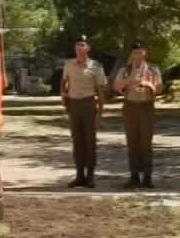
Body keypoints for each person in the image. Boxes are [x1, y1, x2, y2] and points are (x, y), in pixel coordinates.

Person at [113, 41, 162, 189]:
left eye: (141, 52)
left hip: (146, 106)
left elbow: (159, 88)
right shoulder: (126, 69)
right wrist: (130, 79)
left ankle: (147, 177)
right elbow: (116, 86)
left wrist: (148, 84)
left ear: (145, 53)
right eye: (135, 52)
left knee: (146, 143)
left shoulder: (153, 69)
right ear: (132, 54)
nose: (138, 55)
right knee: (132, 142)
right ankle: (134, 177)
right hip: (130, 106)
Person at [61, 35, 107, 189]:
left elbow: (100, 90)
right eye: (77, 45)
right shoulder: (69, 64)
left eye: (83, 45)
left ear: (88, 48)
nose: (80, 48)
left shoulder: (96, 66)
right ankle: (79, 175)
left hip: (88, 104)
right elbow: (64, 81)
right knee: (77, 141)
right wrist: (63, 95)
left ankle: (90, 177)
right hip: (74, 105)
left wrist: (100, 111)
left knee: (90, 142)